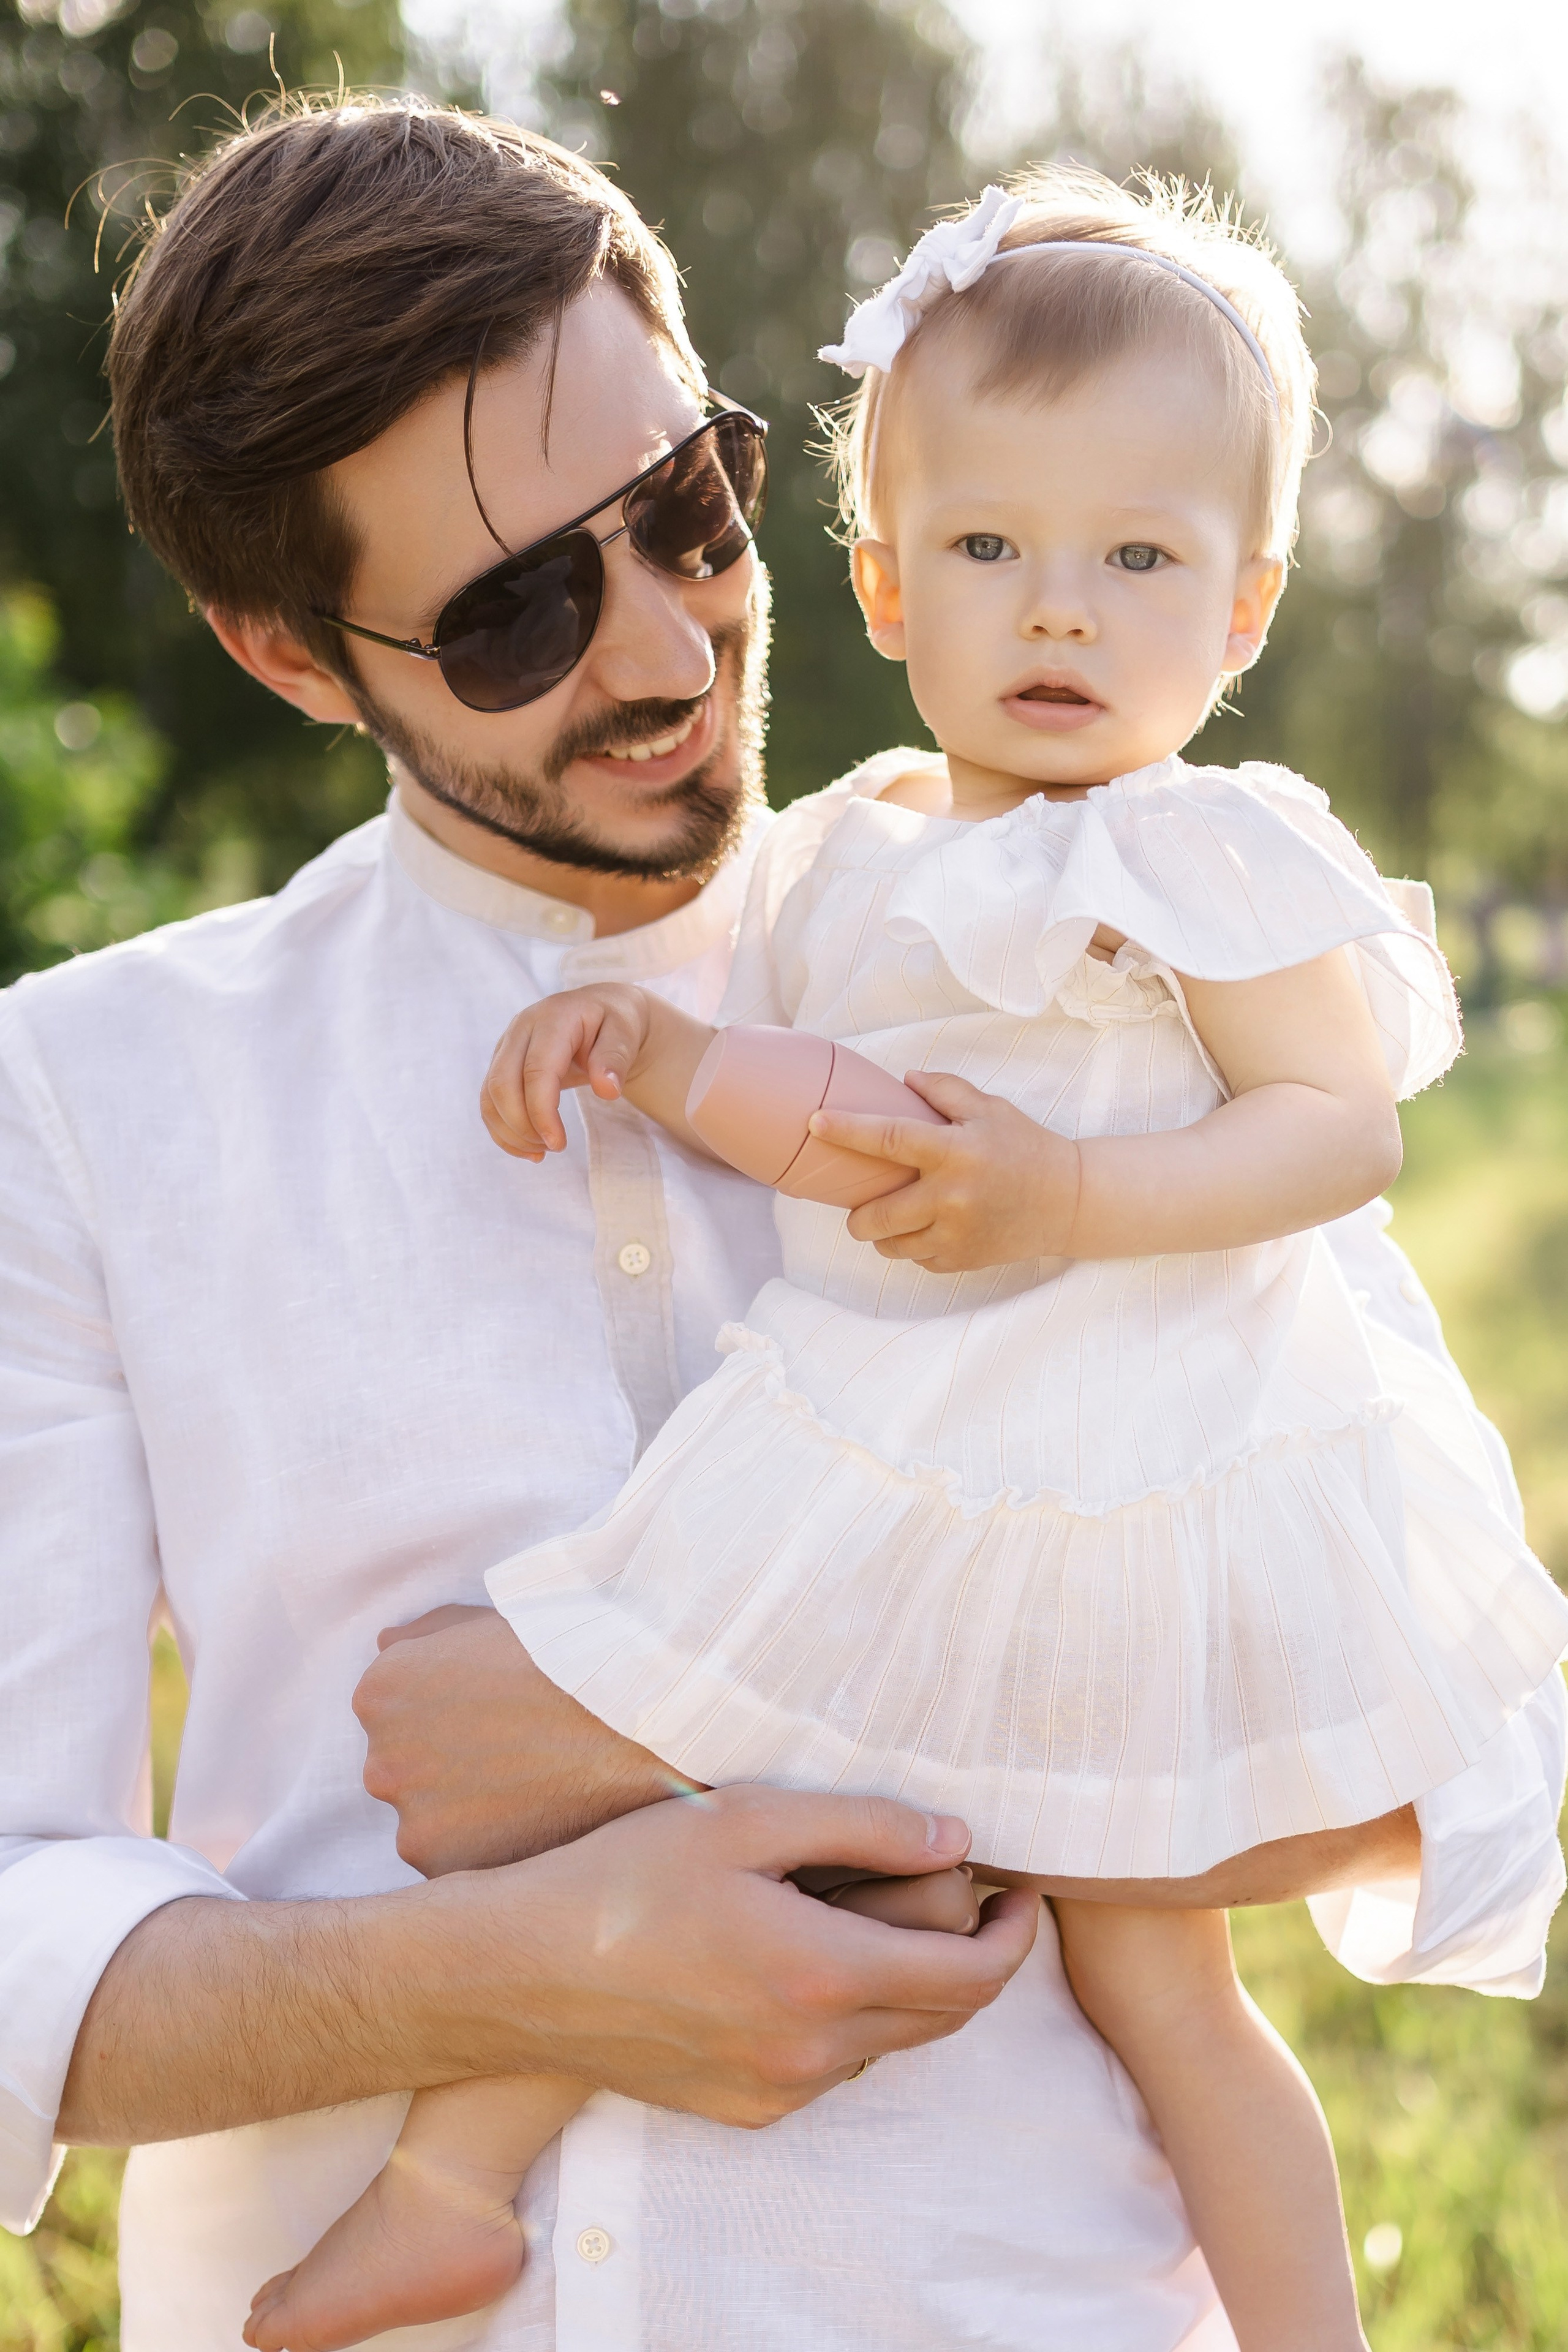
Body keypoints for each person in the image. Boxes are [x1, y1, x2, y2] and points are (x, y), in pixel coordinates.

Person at [0, 97, 1560, 2352]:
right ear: (286, 654)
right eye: (521, 607)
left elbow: (1459, 1734)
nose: (657, 647)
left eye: (685, 510)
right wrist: (532, 1969)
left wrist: (639, 1738)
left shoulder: (1079, 982)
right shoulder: (83, 1099)